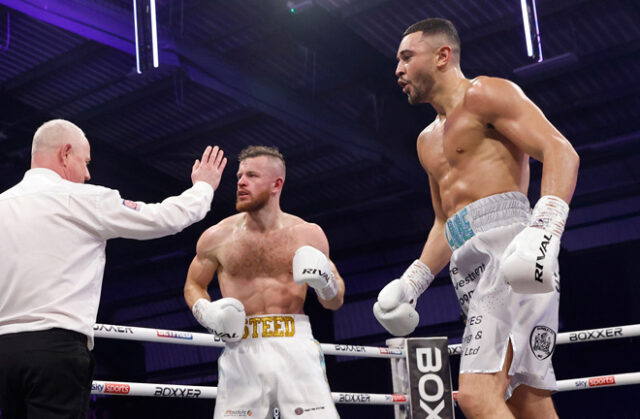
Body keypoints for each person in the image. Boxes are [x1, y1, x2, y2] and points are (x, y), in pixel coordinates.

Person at [373, 18, 579, 418]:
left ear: (442, 56)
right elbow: (445, 222)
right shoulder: (426, 141)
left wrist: (545, 228)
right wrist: (413, 282)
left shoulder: (486, 93)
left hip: (513, 251)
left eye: (406, 57)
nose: (397, 69)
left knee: (475, 395)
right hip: (467, 264)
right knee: (526, 399)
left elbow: (560, 150)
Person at [0, 119, 227, 419]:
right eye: (85, 161)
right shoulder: (84, 199)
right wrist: (203, 187)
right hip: (55, 351)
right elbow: (163, 218)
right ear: (66, 153)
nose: (88, 173)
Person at [184, 145, 345, 418]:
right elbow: (193, 285)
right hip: (241, 348)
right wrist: (208, 312)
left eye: (252, 175)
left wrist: (326, 283)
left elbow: (335, 301)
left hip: (295, 344)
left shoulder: (308, 234)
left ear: (276, 184)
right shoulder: (217, 236)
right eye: (239, 176)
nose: (241, 182)